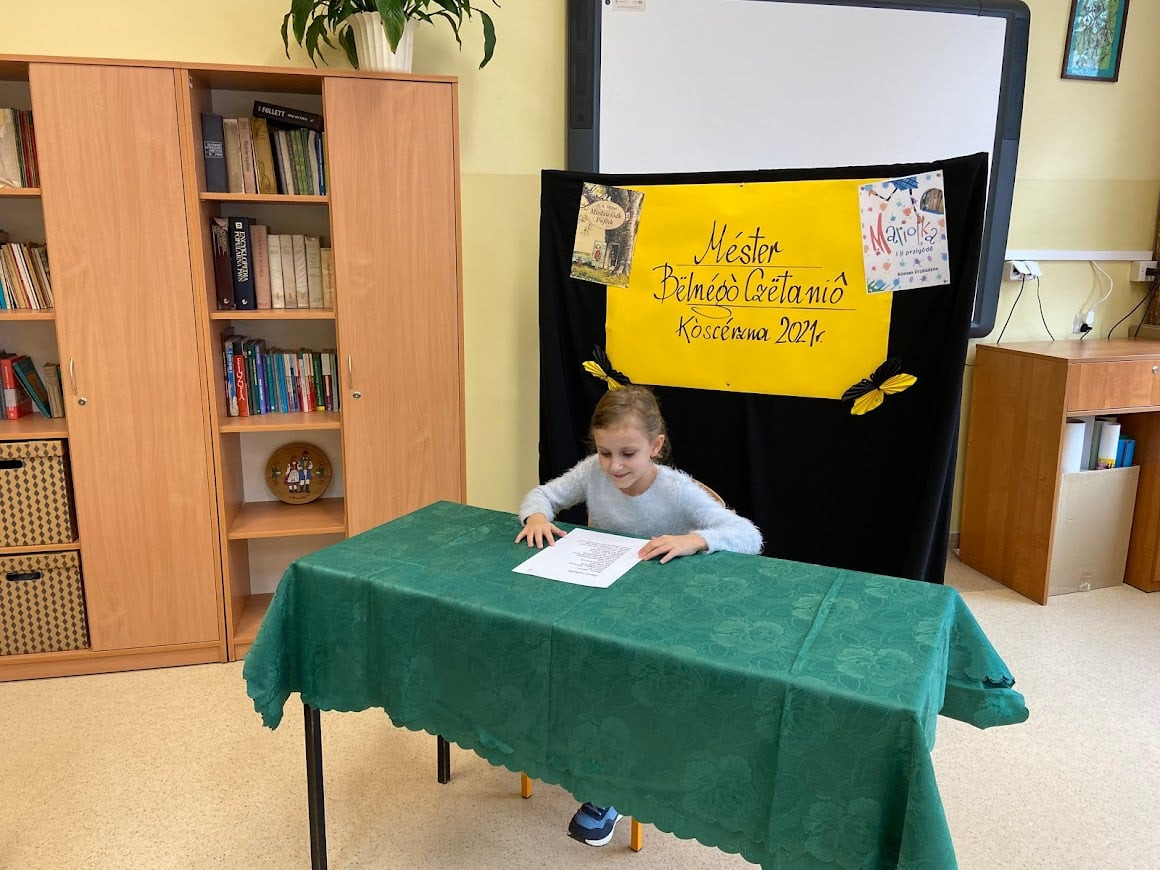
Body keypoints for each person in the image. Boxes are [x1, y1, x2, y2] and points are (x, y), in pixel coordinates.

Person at [515, 384, 762, 846]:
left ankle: (611, 787)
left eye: (627, 453)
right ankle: (560, 745)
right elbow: (543, 495)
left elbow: (748, 535)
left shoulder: (676, 489)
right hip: (600, 598)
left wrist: (694, 539)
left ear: (656, 446)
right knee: (548, 650)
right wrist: (536, 517)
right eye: (605, 452)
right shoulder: (592, 472)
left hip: (658, 618)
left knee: (619, 680)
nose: (614, 466)